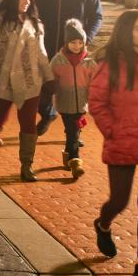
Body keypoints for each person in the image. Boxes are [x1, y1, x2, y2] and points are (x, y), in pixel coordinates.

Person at [88, 9, 138, 276]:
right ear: (127, 32)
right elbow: (97, 102)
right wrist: (112, 130)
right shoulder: (111, 64)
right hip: (122, 142)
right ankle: (103, 224)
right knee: (119, 200)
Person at [0, 0, 54, 181]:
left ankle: (27, 165)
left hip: (29, 81)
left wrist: (49, 77)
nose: (26, 2)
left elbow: (42, 53)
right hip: (2, 81)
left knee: (28, 123)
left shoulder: (35, 24)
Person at [34, 0, 103, 135]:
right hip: (46, 45)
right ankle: (48, 113)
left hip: (74, 49)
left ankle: (74, 132)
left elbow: (97, 16)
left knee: (74, 90)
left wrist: (86, 38)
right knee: (43, 85)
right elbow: (34, 13)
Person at [50, 19, 96, 181]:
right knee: (73, 132)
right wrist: (50, 89)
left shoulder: (89, 61)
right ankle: (75, 161)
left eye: (80, 42)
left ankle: (69, 157)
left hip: (82, 104)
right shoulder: (58, 60)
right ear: (66, 42)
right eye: (73, 42)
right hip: (65, 103)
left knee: (74, 132)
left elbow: (95, 82)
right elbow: (50, 80)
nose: (77, 46)